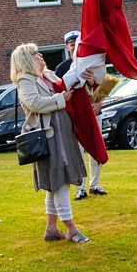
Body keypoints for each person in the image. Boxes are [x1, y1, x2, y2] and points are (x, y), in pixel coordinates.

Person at [10, 43, 92, 242]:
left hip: (61, 132)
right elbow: (35, 103)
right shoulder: (25, 80)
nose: (40, 56)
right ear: (26, 59)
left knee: (56, 182)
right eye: (35, 54)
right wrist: (60, 99)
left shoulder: (48, 75)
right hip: (48, 136)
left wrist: (85, 81)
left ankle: (51, 228)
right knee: (59, 181)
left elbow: (67, 87)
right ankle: (71, 229)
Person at [56, 30, 108, 200]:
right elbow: (59, 89)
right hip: (75, 115)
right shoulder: (62, 68)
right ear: (67, 48)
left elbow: (105, 85)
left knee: (95, 147)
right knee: (77, 152)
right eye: (72, 45)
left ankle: (96, 184)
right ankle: (80, 187)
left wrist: (94, 88)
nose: (74, 48)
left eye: (76, 45)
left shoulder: (93, 63)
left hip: (94, 110)